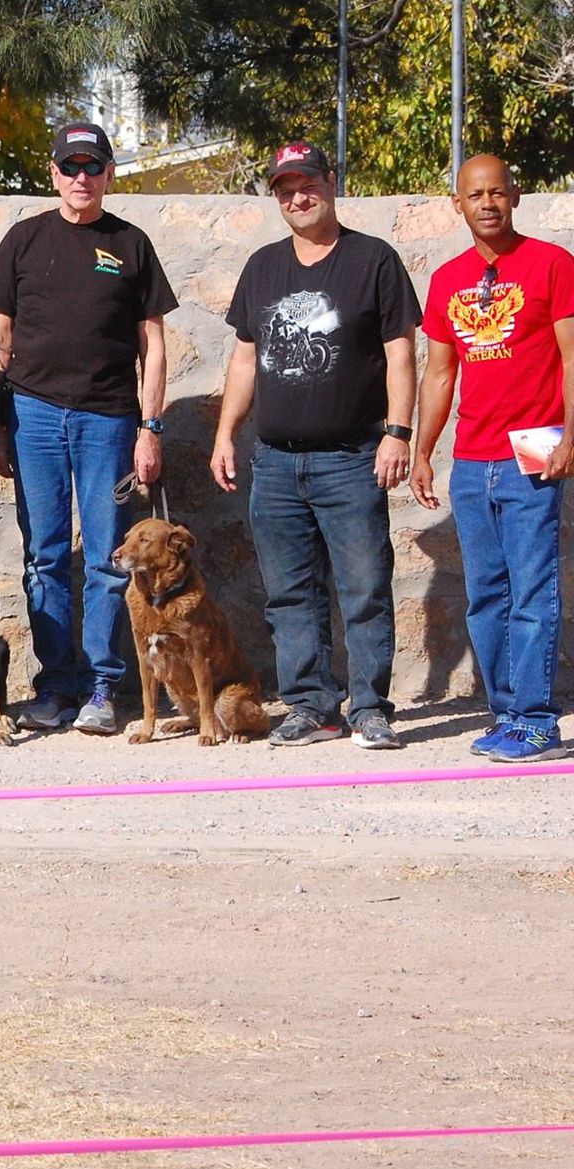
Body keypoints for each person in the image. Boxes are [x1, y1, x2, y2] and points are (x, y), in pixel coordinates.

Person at [210, 141, 420, 749]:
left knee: (364, 589)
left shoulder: (373, 260)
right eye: (284, 189)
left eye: (307, 185)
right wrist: (226, 433)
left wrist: (397, 433)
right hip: (275, 463)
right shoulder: (263, 268)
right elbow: (245, 357)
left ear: (331, 184)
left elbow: (400, 353)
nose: (297, 197)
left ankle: (371, 708)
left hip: (352, 458)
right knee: (289, 594)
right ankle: (312, 707)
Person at [0, 121, 176, 736]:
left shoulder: (132, 243)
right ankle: (55, 686)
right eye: (71, 167)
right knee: (43, 556)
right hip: (33, 415)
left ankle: (102, 688)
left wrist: (151, 428)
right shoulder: (24, 239)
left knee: (108, 558)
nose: (81, 179)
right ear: (54, 173)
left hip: (109, 420)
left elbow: (155, 345)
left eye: (93, 168)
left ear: (110, 174)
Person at [412, 153, 574, 763]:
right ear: (458, 203)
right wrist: (424, 450)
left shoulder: (553, 264)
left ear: (515, 196)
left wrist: (571, 437)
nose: (487, 203)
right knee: (485, 592)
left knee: (532, 589)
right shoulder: (448, 278)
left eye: (498, 192)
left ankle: (536, 720)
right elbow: (439, 372)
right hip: (473, 458)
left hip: (533, 448)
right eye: (475, 194)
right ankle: (506, 713)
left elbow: (571, 355)